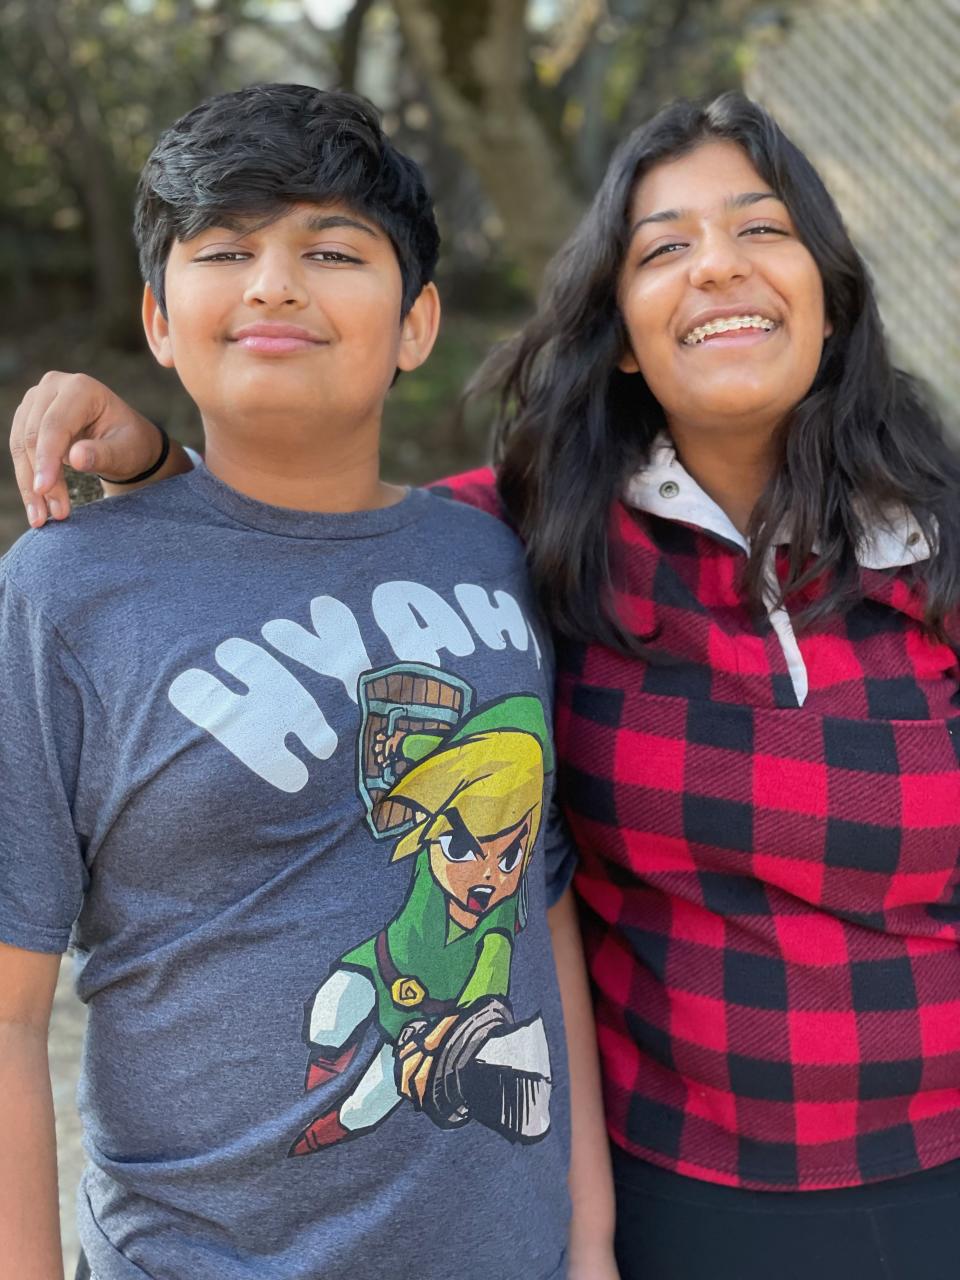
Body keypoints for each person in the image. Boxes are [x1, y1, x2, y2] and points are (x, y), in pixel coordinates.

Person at [11, 90, 960, 1279]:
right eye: (664, 245)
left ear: (832, 295)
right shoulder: (535, 532)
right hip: (654, 1190)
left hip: (913, 1178)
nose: (716, 268)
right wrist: (157, 470)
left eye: (760, 230)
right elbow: (293, 518)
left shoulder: (924, 547)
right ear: (618, 324)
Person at [0, 83, 619, 1280]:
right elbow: (8, 1011)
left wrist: (587, 1239)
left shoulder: (491, 558)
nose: (276, 282)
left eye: (332, 250)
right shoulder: (64, 592)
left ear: (418, 323)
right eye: (226, 250)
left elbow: (542, 915)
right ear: (160, 316)